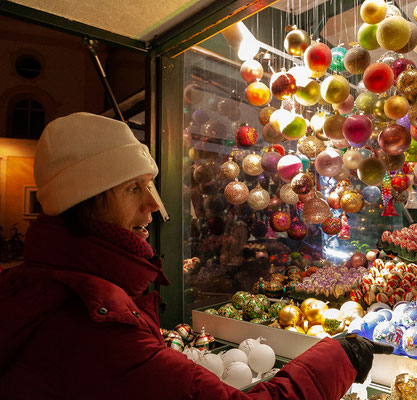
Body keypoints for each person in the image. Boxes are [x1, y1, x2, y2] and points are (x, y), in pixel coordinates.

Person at [0, 112, 392, 399]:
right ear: (85, 203)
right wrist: (343, 354)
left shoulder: (34, 286)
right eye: (134, 189)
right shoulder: (101, 329)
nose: (153, 206)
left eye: (149, 187)